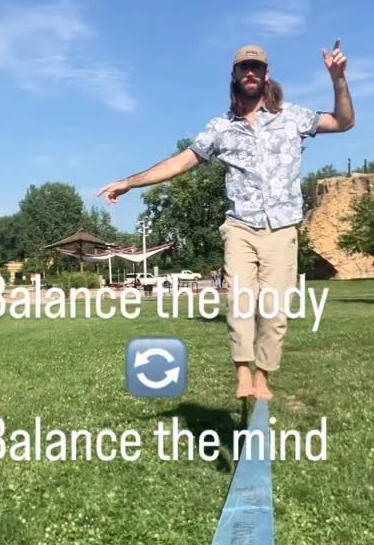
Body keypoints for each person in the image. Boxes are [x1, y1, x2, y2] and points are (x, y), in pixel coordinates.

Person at [98, 41, 355, 399]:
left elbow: (344, 122)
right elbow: (182, 161)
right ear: (234, 76)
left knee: (274, 311)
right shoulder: (221, 128)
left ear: (266, 75)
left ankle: (263, 377)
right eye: (243, 67)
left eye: (256, 67)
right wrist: (130, 182)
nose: (250, 72)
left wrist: (338, 80)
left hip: (281, 227)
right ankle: (243, 373)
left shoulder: (292, 117)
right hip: (241, 227)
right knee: (240, 303)